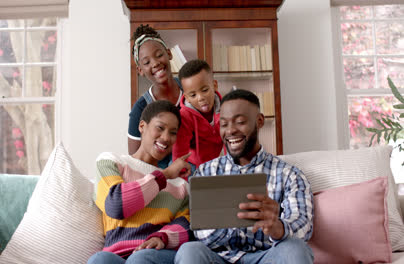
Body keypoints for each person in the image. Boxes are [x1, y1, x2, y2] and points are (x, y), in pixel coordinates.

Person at [175, 90, 314, 264]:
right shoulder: (205, 173)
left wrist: (277, 226)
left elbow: (304, 227)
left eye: (240, 122)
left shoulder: (289, 175)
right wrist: (237, 226)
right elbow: (200, 232)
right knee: (190, 250)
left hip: (267, 257)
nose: (231, 131)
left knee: (295, 249)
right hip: (219, 258)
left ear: (259, 121)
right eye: (224, 124)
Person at [88, 100, 192, 264]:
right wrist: (164, 176)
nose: (166, 137)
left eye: (173, 132)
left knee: (141, 258)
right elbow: (116, 205)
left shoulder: (181, 186)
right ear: (142, 126)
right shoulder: (111, 161)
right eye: (160, 128)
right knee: (99, 259)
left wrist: (162, 237)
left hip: (156, 254)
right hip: (116, 256)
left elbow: (186, 224)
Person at [128, 24, 183, 169]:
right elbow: (135, 165)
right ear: (140, 70)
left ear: (169, 54)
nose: (155, 63)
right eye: (147, 62)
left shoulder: (191, 91)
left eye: (159, 55)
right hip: (161, 181)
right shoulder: (140, 110)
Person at [172, 59, 223, 174]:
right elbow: (179, 154)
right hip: (192, 166)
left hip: (218, 163)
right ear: (187, 97)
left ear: (214, 85)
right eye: (193, 95)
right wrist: (182, 181)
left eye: (204, 90)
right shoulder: (184, 117)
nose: (200, 98)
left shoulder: (226, 108)